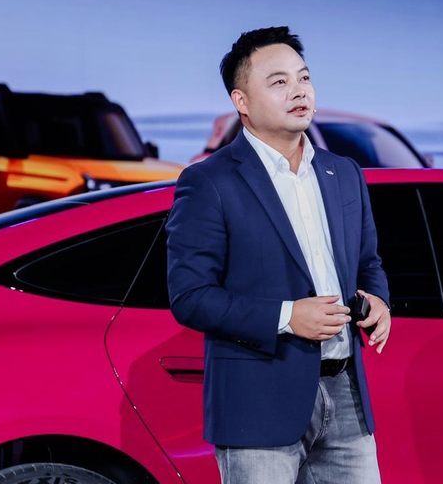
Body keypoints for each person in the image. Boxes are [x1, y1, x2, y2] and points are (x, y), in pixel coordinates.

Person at [166, 26, 391, 483]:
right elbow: (190, 296)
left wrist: (378, 300)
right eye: (279, 82)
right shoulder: (210, 181)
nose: (299, 91)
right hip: (258, 400)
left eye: (304, 78)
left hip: (346, 392)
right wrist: (288, 317)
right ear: (242, 101)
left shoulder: (344, 173)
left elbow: (368, 262)